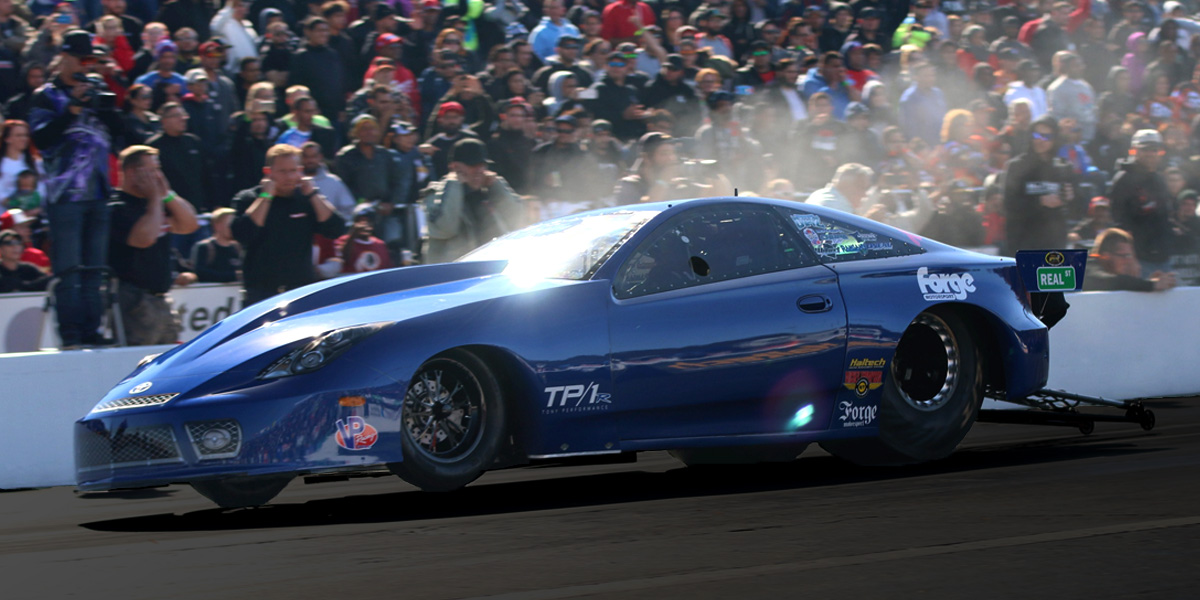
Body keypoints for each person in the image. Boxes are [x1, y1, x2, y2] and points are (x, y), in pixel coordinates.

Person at [29, 29, 126, 348]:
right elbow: (41, 140)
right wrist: (70, 109)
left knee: (95, 268)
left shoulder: (97, 91)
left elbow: (120, 135)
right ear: (65, 57)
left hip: (99, 192)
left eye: (92, 60)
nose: (87, 66)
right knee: (69, 268)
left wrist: (109, 108)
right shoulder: (47, 95)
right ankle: (70, 332)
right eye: (83, 59)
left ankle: (92, 330)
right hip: (65, 194)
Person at [231, 144, 346, 305]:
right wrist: (266, 196)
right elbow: (243, 234)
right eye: (282, 171)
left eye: (293, 171)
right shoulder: (249, 198)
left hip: (300, 291)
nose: (289, 177)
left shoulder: (306, 199)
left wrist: (313, 194)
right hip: (261, 292)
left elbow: (336, 229)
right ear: (268, 172)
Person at [108, 145, 200, 345]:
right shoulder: (117, 206)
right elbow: (144, 238)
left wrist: (166, 194)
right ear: (131, 172)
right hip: (134, 301)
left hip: (161, 299)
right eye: (151, 171)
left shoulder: (156, 202)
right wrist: (155, 200)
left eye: (159, 170)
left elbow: (190, 224)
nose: (157, 177)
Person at [423, 138, 523, 263]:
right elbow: (445, 229)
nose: (479, 171)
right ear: (454, 167)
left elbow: (518, 220)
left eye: (482, 165)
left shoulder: (489, 190)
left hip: (490, 267)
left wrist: (497, 186)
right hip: (453, 272)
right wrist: (454, 183)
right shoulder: (436, 192)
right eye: (473, 165)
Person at [1003, 116, 1074, 255]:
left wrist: (1071, 198)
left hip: (1054, 244)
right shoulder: (1017, 166)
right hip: (1024, 241)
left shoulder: (1064, 167)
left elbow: (1076, 210)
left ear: (1055, 138)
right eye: (1036, 135)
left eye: (1046, 136)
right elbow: (1009, 204)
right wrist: (1039, 201)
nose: (1040, 140)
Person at [1110, 129, 1176, 276]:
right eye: (1145, 149)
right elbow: (1118, 220)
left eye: (1155, 149)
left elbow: (1165, 215)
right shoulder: (1123, 179)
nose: (1150, 153)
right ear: (1134, 150)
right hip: (1138, 258)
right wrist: (1129, 256)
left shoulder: (1159, 179)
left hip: (1162, 255)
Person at [148, 102, 208, 210]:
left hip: (198, 205)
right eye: (176, 116)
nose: (183, 119)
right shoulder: (154, 146)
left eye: (184, 115)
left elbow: (206, 173)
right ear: (163, 120)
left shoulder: (193, 141)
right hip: (170, 208)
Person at [1082, 228, 1178, 292]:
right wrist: (1150, 285)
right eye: (1125, 256)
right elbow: (1109, 281)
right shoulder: (1086, 266)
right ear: (1106, 256)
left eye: (1131, 256)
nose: (1129, 261)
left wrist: (1144, 282)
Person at [302, 141, 355, 219]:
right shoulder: (292, 182)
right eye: (306, 157)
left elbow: (348, 210)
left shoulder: (334, 182)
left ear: (320, 157)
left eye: (314, 156)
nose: (310, 160)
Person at [189, 206, 242, 283]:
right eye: (230, 224)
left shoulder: (238, 248)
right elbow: (200, 273)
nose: (234, 228)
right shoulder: (205, 247)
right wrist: (234, 276)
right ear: (217, 225)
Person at [336, 208, 393, 273]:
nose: (364, 224)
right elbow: (342, 260)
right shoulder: (343, 240)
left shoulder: (380, 244)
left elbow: (387, 268)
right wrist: (353, 234)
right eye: (360, 221)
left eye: (368, 221)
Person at [805, 162, 875, 215]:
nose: (864, 195)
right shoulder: (841, 211)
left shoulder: (818, 194)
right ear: (847, 186)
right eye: (863, 188)